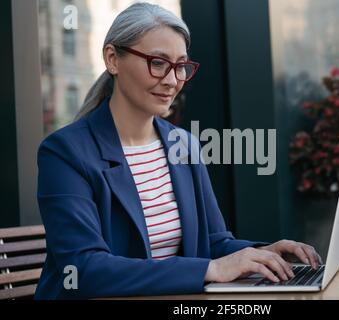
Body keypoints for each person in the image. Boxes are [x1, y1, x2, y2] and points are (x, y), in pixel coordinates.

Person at [35, 2, 321, 299]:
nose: (172, 81)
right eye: (158, 63)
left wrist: (261, 253)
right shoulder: (64, 153)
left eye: (181, 66)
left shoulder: (182, 144)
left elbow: (212, 243)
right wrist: (209, 270)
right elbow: (82, 269)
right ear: (112, 59)